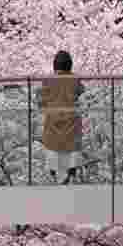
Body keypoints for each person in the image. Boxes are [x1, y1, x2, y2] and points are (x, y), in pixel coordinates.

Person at [38, 50, 84, 185]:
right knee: (71, 151)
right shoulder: (75, 79)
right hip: (72, 122)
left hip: (53, 120)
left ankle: (56, 174)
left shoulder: (47, 80)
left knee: (53, 149)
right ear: (70, 64)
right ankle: (70, 173)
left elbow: (41, 101)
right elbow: (82, 95)